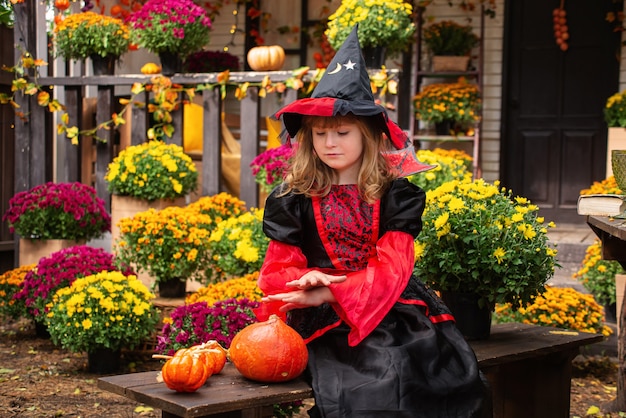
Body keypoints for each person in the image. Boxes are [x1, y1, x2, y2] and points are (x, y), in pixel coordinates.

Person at [256, 26, 488, 418]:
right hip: (322, 317)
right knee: (365, 385)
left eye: (342, 132)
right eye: (320, 134)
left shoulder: (395, 194)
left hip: (391, 306)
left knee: (422, 373)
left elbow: (395, 268)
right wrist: (305, 279)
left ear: (367, 134)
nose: (330, 143)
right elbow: (277, 271)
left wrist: (335, 290)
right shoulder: (293, 197)